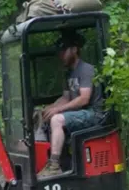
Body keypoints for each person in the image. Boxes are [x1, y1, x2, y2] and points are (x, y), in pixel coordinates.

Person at [38, 30, 103, 177]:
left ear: (74, 50)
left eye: (64, 51)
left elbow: (84, 99)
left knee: (57, 119)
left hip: (94, 114)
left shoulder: (86, 69)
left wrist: (58, 110)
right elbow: (66, 97)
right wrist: (49, 108)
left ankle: (54, 165)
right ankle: (60, 162)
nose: (61, 55)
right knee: (47, 116)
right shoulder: (69, 72)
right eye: (60, 52)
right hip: (80, 113)